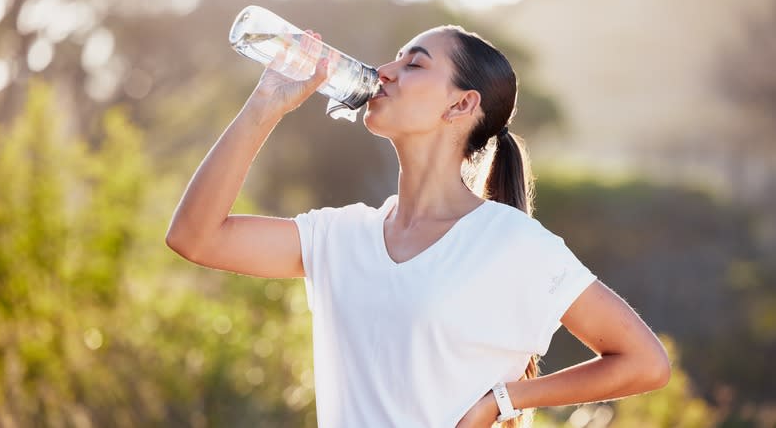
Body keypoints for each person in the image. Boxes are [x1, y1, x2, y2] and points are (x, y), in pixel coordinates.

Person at [166, 25, 671, 428]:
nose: (384, 72)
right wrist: (267, 102)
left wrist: (504, 399)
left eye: (414, 64)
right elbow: (195, 237)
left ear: (461, 105)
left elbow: (644, 361)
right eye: (394, 60)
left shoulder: (510, 243)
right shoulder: (340, 236)